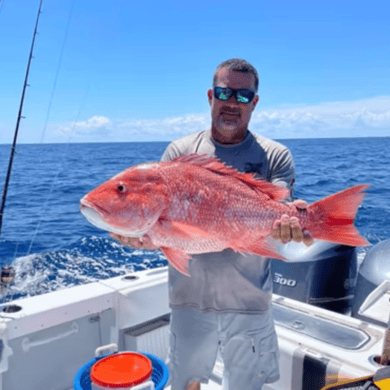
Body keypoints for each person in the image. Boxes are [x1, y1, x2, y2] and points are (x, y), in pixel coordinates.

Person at [111, 58, 312, 390]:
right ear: (210, 96)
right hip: (189, 299)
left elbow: (280, 211)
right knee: (187, 383)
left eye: (243, 96)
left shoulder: (275, 155)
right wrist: (141, 234)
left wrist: (296, 223)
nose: (232, 103)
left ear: (255, 102)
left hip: (249, 302)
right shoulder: (179, 152)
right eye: (224, 92)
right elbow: (163, 224)